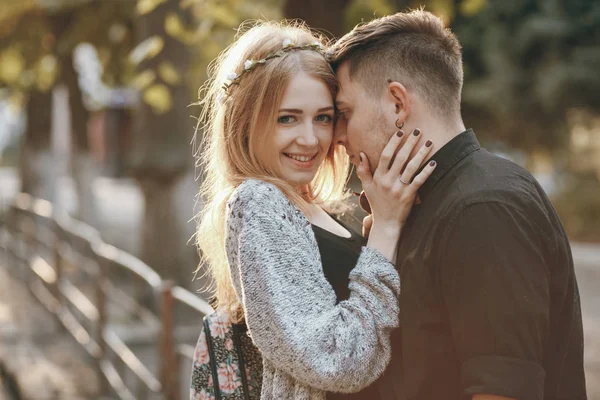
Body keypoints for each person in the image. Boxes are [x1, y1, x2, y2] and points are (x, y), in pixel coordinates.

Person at [327, 9, 587, 400]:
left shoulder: (483, 208)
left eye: (344, 114)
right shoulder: (419, 205)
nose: (337, 137)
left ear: (397, 103)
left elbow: (501, 391)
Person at [194, 21, 437, 399]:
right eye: (287, 118)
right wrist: (387, 229)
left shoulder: (310, 207)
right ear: (245, 122)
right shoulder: (258, 202)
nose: (310, 139)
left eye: (323, 117)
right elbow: (333, 359)